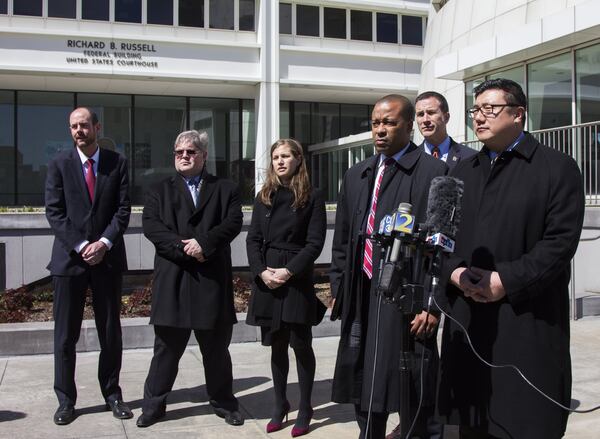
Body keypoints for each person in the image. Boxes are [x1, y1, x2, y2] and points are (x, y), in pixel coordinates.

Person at [437, 78, 585, 439]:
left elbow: (560, 243)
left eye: (490, 109)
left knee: (525, 424)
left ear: (518, 114)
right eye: (475, 110)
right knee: (473, 425)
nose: (479, 117)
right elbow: (437, 238)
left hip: (526, 322)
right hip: (468, 324)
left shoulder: (557, 168)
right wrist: (454, 273)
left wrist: (506, 280)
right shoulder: (459, 173)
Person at [330, 94, 447, 439]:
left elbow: (442, 248)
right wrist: (339, 287)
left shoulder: (434, 172)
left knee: (408, 385)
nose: (380, 130)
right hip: (360, 294)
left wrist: (431, 304)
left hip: (404, 300)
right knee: (362, 378)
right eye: (375, 123)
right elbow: (342, 241)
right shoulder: (356, 174)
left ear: (409, 125)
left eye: (389, 122)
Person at [136, 130, 244, 428]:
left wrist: (205, 244)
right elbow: (152, 227)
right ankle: (154, 406)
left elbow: (233, 222)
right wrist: (187, 249)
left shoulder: (226, 188)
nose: (184, 156)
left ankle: (224, 403)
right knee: (166, 352)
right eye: (179, 152)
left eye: (191, 151)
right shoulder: (159, 189)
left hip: (211, 281)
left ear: (204, 155)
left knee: (216, 352)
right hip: (174, 280)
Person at [45, 107, 132, 425]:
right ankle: (66, 400)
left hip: (107, 261)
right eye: (73, 127)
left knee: (110, 332)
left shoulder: (117, 163)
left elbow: (122, 210)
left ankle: (112, 394)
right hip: (69, 261)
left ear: (97, 127)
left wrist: (104, 243)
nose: (79, 131)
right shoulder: (58, 164)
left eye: (84, 125)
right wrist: (82, 246)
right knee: (65, 336)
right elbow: (54, 212)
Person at [246, 139, 327, 437]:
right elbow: (252, 239)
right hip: (267, 278)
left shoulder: (312, 197)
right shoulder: (263, 196)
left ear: (298, 160)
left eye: (286, 156)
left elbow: (315, 243)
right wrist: (261, 272)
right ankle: (280, 404)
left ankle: (305, 407)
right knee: (276, 346)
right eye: (276, 157)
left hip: (296, 278)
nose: (280, 161)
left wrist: (289, 271)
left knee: (300, 344)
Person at [415, 91, 477, 171]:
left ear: (446, 117)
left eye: (431, 113)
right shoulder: (409, 159)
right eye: (420, 114)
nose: (425, 120)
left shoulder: (471, 157)